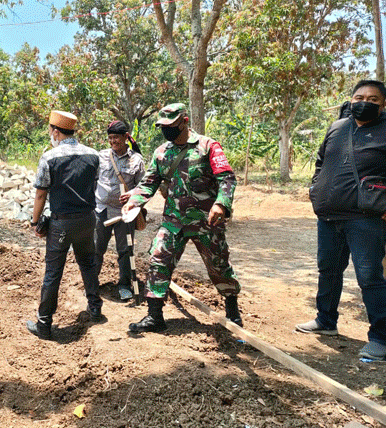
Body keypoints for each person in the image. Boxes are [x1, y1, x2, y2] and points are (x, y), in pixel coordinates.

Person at [296, 80, 386, 361]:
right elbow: (321, 160)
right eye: (359, 96)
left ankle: (380, 337)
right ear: (351, 99)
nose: (364, 101)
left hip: (367, 219)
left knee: (369, 278)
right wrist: (315, 188)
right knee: (328, 269)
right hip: (330, 215)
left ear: (383, 103)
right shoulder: (338, 127)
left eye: (372, 98)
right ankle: (326, 320)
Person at [122, 103, 242, 333]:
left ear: (185, 122)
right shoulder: (161, 153)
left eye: (171, 126)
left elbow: (226, 178)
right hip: (173, 221)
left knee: (218, 266)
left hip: (206, 222)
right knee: (158, 261)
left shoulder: (208, 147)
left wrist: (221, 203)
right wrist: (133, 202)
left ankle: (232, 311)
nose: (166, 130)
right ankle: (154, 316)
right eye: (162, 127)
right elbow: (148, 183)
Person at [26, 110, 102, 340]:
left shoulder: (50, 157)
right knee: (88, 263)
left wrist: (35, 221)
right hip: (88, 219)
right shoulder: (94, 155)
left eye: (51, 131)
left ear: (56, 131)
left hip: (62, 224)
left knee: (53, 272)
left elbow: (41, 194)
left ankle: (44, 324)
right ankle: (96, 309)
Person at [94, 120, 146, 300]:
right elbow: (93, 180)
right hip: (102, 209)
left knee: (125, 250)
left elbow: (145, 187)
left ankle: (124, 285)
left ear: (126, 137)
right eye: (110, 138)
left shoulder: (136, 160)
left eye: (116, 137)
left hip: (126, 213)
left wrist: (132, 195)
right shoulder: (101, 157)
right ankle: (92, 284)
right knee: (96, 248)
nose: (113, 141)